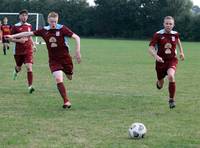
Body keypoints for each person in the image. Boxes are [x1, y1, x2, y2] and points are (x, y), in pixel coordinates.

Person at [6, 12, 81, 109]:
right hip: (54, 60)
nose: (53, 23)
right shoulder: (44, 30)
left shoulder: (62, 28)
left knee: (70, 76)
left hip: (66, 59)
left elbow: (76, 37)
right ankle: (66, 101)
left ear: (57, 20)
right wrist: (13, 36)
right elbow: (28, 33)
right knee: (58, 79)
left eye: (55, 21)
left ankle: (68, 75)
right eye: (51, 21)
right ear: (48, 21)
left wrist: (78, 51)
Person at [148, 16, 185, 109]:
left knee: (171, 76)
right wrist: (156, 56)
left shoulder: (175, 34)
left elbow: (178, 41)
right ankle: (159, 82)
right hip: (160, 62)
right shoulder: (158, 35)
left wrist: (181, 52)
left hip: (172, 60)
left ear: (173, 25)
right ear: (163, 24)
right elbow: (150, 48)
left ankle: (171, 100)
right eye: (166, 23)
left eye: (170, 24)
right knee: (160, 85)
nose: (168, 25)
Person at [9, 9, 35, 93]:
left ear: (27, 17)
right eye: (23, 15)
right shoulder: (15, 26)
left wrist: (33, 45)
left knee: (29, 67)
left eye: (26, 15)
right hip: (18, 51)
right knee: (19, 67)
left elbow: (30, 36)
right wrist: (19, 41)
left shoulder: (29, 26)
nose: (24, 17)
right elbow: (9, 39)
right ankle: (16, 71)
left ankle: (30, 86)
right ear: (19, 16)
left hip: (28, 50)